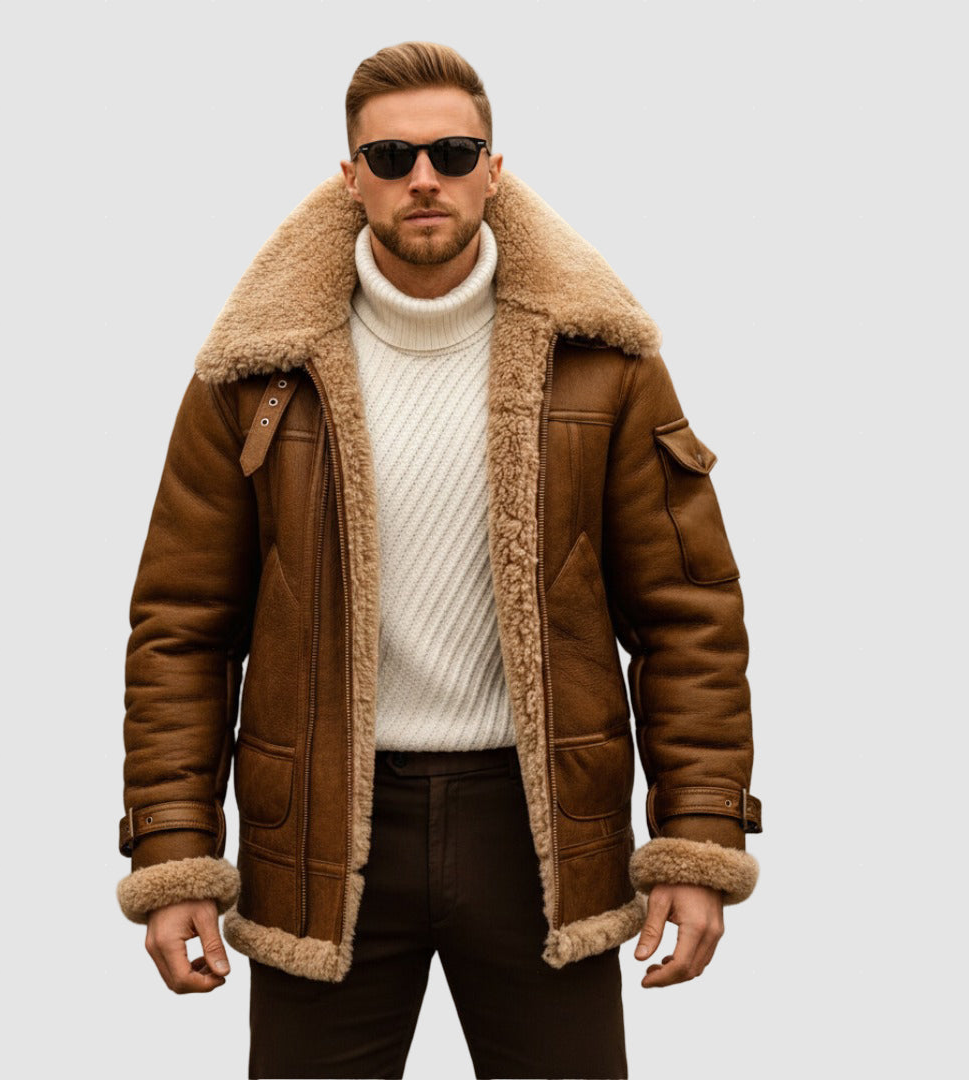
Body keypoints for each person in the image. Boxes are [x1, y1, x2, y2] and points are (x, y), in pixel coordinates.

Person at [115, 40, 763, 1080]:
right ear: (351, 177)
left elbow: (688, 617)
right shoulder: (254, 374)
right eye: (392, 157)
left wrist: (699, 836)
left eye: (454, 154)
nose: (425, 177)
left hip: (540, 833)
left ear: (493, 170)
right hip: (318, 831)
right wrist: (174, 849)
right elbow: (182, 627)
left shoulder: (603, 361)